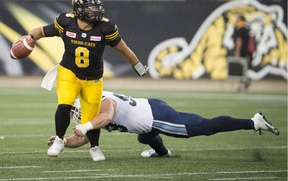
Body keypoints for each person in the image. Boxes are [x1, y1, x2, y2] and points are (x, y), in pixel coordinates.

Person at [20, 0, 147, 161]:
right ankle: (59, 140)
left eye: (96, 8)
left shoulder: (106, 27)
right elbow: (41, 31)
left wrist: (138, 67)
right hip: (69, 71)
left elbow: (123, 49)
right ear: (79, 9)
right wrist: (29, 37)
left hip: (93, 77)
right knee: (64, 105)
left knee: (91, 117)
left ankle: (94, 148)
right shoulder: (66, 21)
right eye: (90, 8)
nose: (95, 12)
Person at [47, 90, 279, 158]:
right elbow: (84, 137)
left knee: (205, 128)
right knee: (144, 136)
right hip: (150, 111)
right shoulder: (95, 103)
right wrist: (65, 141)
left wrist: (86, 126)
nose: (83, 116)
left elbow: (105, 118)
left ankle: (253, 122)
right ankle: (163, 152)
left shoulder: (104, 102)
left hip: (157, 116)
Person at [233, 15, 253, 92]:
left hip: (243, 53)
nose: (236, 20)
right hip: (248, 52)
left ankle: (243, 84)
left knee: (242, 70)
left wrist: (237, 52)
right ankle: (244, 84)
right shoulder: (246, 29)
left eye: (237, 19)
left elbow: (239, 41)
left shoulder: (240, 29)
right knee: (245, 70)